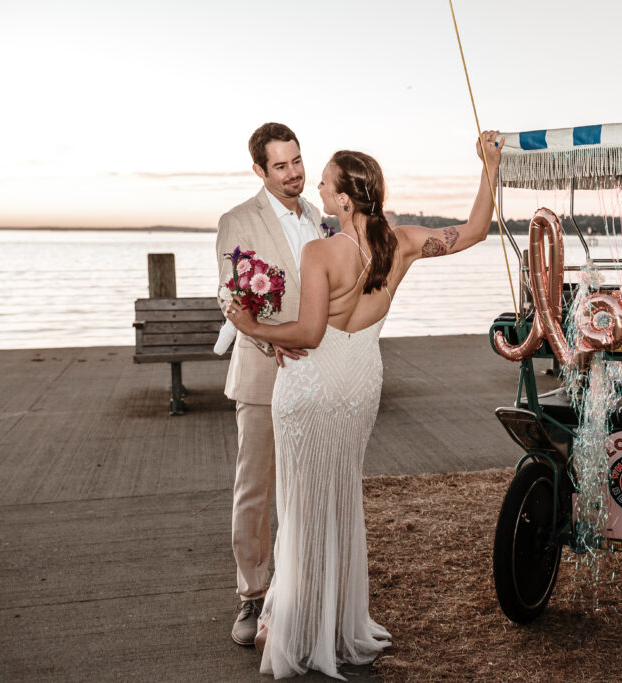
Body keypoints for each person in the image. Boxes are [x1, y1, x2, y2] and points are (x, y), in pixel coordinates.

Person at [225, 131, 505, 679]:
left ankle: (293, 627)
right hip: (358, 387)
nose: (320, 191)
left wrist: (248, 322)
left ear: (346, 199)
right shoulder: (399, 243)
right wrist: (489, 165)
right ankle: (334, 621)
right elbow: (474, 231)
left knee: (302, 507)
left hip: (309, 388)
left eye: (327, 185)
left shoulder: (320, 251)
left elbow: (305, 333)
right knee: (339, 500)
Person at [215, 122, 324, 646]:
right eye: (280, 166)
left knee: (306, 489)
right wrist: (269, 338)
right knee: (255, 492)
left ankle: (299, 589)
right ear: (259, 170)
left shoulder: (322, 220)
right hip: (263, 377)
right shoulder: (238, 220)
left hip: (318, 377)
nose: (293, 173)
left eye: (297, 161)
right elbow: (229, 295)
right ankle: (252, 596)